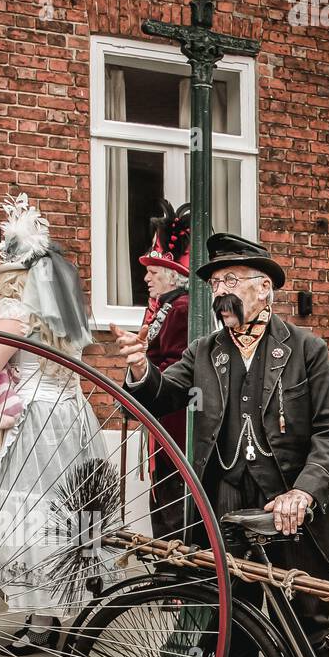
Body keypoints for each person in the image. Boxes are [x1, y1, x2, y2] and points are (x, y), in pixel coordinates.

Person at [119, 232, 329, 657]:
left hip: (289, 504)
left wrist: (305, 491)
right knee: (235, 622)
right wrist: (137, 369)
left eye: (230, 282)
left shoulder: (305, 349)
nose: (220, 292)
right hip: (225, 504)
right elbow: (160, 395)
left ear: (264, 289)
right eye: (215, 283)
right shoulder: (205, 351)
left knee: (306, 618)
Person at [0, 192, 108, 655]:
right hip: (71, 413)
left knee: (29, 512)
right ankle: (61, 610)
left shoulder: (16, 310)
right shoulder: (66, 313)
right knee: (65, 511)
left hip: (33, 420)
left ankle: (41, 621)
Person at [112, 202, 191, 541]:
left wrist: (145, 366)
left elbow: (176, 369)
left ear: (172, 275)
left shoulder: (181, 309)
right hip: (165, 424)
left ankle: (175, 583)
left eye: (153, 271)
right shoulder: (166, 308)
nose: (145, 277)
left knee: (172, 505)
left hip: (177, 425)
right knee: (164, 502)